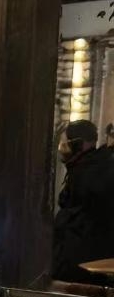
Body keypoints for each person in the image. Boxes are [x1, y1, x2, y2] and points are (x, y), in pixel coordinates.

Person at [53, 119, 114, 284]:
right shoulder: (88, 167)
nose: (62, 149)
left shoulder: (95, 173)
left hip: (83, 271)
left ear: (79, 144)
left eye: (65, 144)